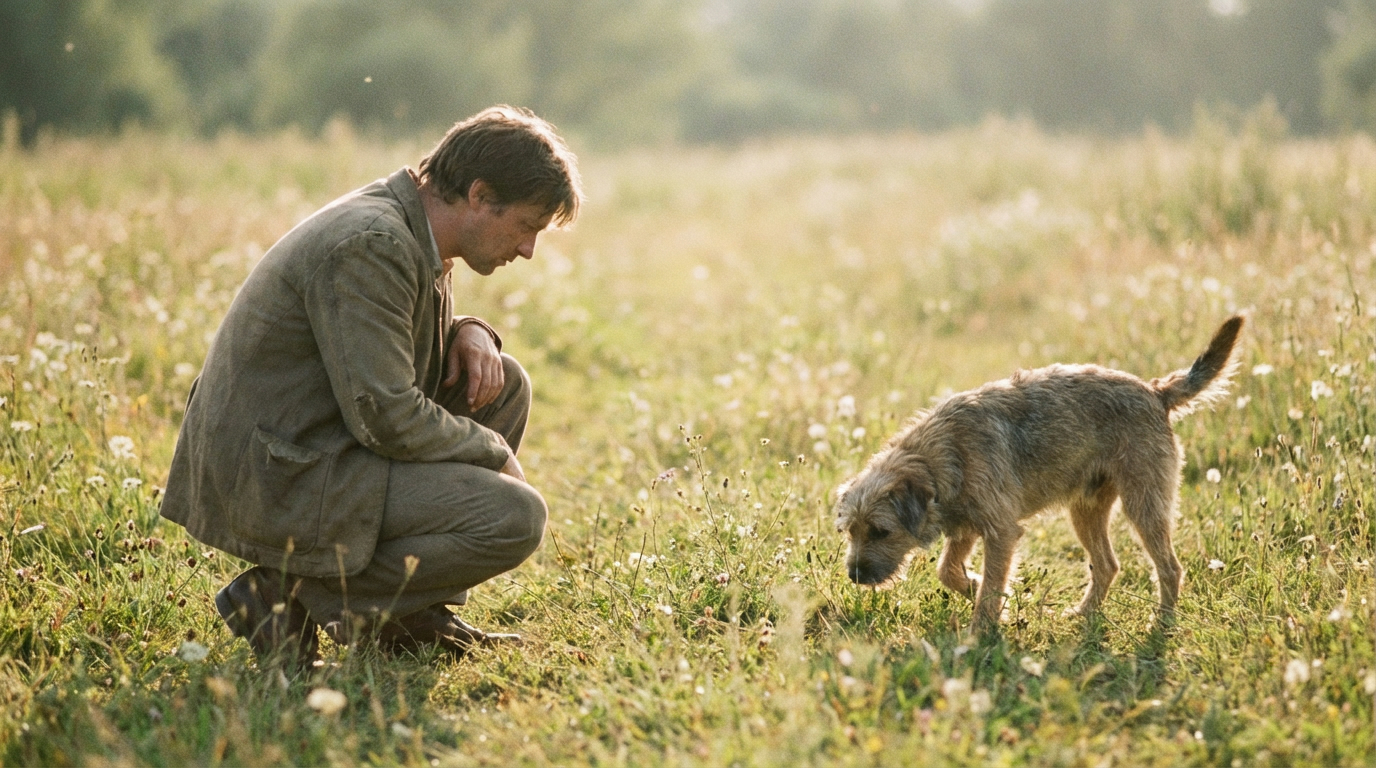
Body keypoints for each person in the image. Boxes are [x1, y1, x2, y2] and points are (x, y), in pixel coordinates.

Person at [161, 106, 581, 667]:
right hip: (276, 472)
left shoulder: (415, 228)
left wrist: (470, 329)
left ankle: (407, 615)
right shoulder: (373, 243)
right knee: (514, 518)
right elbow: (386, 415)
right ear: (479, 195)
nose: (528, 249)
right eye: (527, 226)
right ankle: (285, 594)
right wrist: (492, 450)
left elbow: (376, 346)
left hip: (319, 446)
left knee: (503, 384)